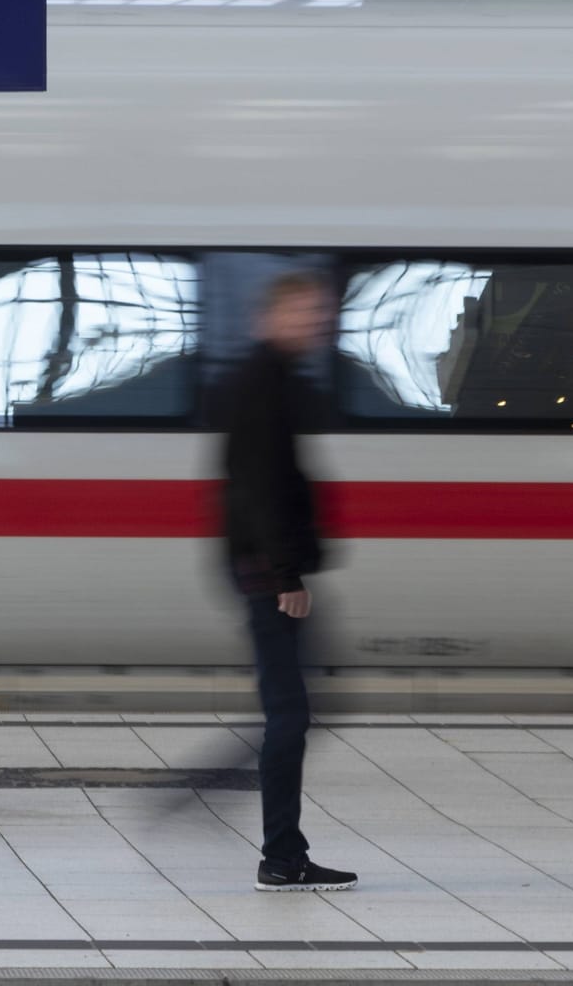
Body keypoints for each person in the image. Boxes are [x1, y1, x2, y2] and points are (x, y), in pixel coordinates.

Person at [220, 271, 357, 893]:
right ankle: (280, 858)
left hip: (265, 571)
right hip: (266, 576)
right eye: (305, 313)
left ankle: (283, 851)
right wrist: (284, 575)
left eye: (320, 314)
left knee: (294, 712)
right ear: (270, 316)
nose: (316, 324)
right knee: (289, 715)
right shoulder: (260, 385)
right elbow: (259, 489)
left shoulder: (272, 379)